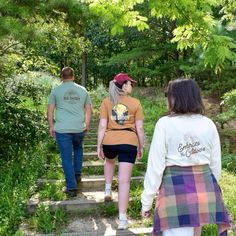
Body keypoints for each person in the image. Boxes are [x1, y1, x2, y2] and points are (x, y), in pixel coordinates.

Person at [141, 78, 230, 236]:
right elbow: (215, 166)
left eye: (168, 95)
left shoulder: (164, 124)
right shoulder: (208, 124)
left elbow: (155, 167)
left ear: (175, 97)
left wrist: (146, 201)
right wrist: (208, 192)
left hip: (175, 190)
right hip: (204, 190)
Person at [97, 73, 144, 230]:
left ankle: (108, 188)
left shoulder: (106, 102)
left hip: (109, 141)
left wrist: (99, 145)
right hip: (129, 141)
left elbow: (103, 125)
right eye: (131, 83)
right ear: (124, 86)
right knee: (124, 181)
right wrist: (141, 146)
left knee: (109, 160)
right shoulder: (135, 103)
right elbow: (140, 128)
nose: (132, 86)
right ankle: (122, 220)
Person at [47, 67, 92, 197]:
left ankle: (71, 188)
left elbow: (49, 111)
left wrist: (51, 126)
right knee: (78, 149)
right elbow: (89, 110)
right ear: (73, 76)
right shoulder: (83, 90)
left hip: (62, 129)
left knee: (66, 157)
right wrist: (87, 125)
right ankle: (77, 175)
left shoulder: (56, 91)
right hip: (79, 128)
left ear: (61, 77)